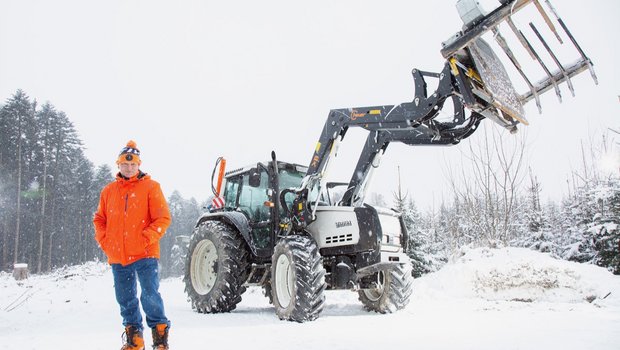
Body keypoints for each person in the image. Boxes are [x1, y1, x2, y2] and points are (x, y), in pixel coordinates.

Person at [94, 140, 172, 350]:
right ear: (118, 165)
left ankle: (160, 339)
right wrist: (105, 241)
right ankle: (134, 340)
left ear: (139, 165)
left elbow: (163, 218)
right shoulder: (108, 191)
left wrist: (145, 238)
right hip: (118, 256)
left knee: (150, 296)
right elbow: (99, 219)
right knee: (125, 299)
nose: (129, 168)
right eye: (125, 164)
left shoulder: (151, 187)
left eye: (133, 164)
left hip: (145, 255)